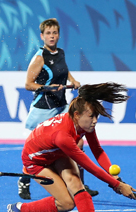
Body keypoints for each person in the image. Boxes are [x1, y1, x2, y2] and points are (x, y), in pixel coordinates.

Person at [6, 83, 136, 212]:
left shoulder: (85, 124)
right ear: (76, 115)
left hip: (56, 152)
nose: (95, 121)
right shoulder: (63, 136)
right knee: (67, 204)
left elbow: (97, 151)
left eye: (96, 116)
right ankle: (21, 209)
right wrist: (117, 185)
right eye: (92, 117)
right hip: (36, 161)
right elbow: (88, 165)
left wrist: (114, 176)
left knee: (76, 184)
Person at [18, 18, 100, 200]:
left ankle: (80, 184)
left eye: (54, 33)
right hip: (42, 109)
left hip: (61, 106)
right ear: (42, 36)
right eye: (48, 33)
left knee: (78, 142)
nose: (52, 36)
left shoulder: (60, 53)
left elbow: (64, 70)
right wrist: (48, 87)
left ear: (59, 35)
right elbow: (28, 84)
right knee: (33, 151)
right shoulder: (39, 57)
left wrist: (72, 80)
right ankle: (24, 180)